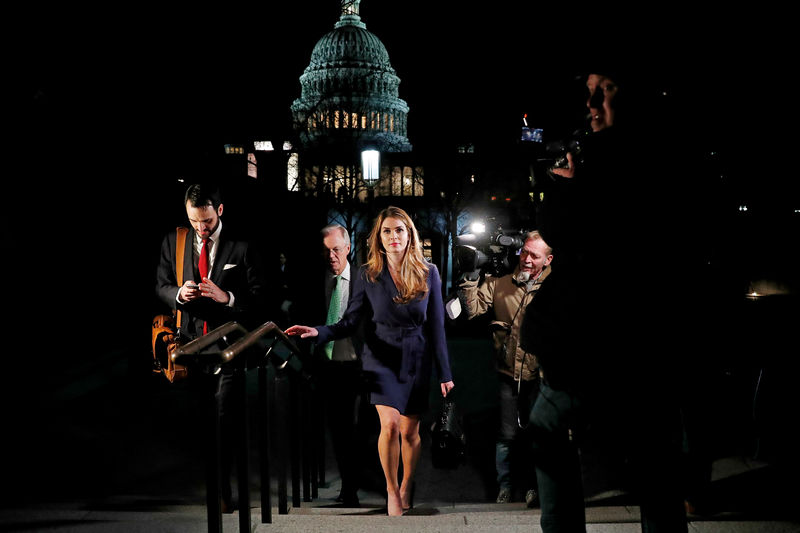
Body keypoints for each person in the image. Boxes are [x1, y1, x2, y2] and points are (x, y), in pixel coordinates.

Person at [522, 67, 689, 533]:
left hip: (605, 338)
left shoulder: (616, 162)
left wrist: (568, 186)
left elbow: (567, 232)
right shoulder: (651, 158)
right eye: (590, 93)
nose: (592, 104)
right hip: (633, 339)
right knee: (654, 463)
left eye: (605, 92)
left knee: (549, 428)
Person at [286, 206, 455, 516]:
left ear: (409, 235)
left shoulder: (428, 272)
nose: (393, 236)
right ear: (378, 238)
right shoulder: (368, 274)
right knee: (388, 427)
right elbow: (349, 322)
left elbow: (437, 328)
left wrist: (445, 373)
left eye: (399, 230)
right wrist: (319, 331)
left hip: (416, 360)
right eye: (386, 231)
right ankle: (392, 490)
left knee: (410, 432)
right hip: (380, 360)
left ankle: (406, 485)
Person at [155, 182, 267, 514]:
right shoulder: (174, 241)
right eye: (194, 222)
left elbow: (262, 298)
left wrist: (228, 297)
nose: (200, 229)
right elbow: (159, 286)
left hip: (227, 347)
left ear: (218, 211)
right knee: (201, 421)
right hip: (189, 346)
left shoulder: (242, 246)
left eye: (206, 222)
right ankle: (210, 486)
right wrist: (178, 293)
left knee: (223, 418)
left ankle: (223, 493)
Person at [458, 231, 554, 507]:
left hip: (542, 377)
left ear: (548, 260)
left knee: (539, 433)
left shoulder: (554, 288)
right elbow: (472, 310)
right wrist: (471, 276)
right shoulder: (501, 284)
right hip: (507, 374)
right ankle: (505, 488)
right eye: (524, 252)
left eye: (534, 255)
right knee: (507, 435)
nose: (525, 259)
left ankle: (535, 488)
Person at [315, 224, 364, 507]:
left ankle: (357, 484)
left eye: (336, 249)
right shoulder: (318, 281)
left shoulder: (363, 279)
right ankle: (349, 488)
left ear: (348, 248)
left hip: (359, 366)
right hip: (329, 366)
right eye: (326, 250)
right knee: (338, 429)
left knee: (359, 430)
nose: (331, 255)